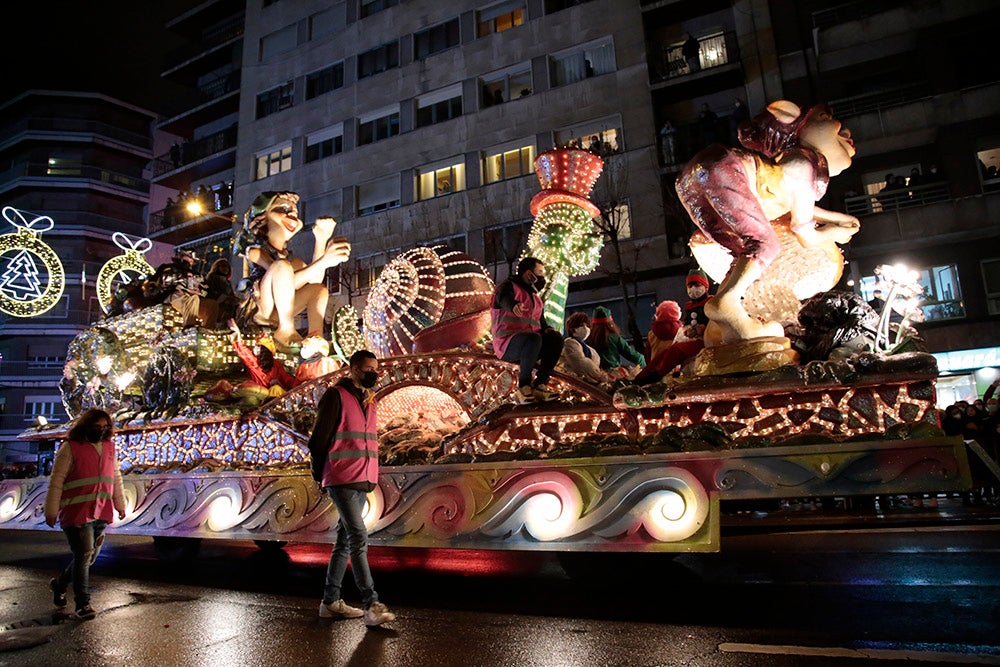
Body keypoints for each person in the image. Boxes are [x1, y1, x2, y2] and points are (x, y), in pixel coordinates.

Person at [675, 100, 860, 344]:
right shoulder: (802, 163)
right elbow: (803, 231)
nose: (846, 132)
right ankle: (726, 302)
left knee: (742, 252)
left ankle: (724, 326)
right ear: (792, 121)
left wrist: (841, 220)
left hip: (692, 179)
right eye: (825, 116)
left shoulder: (788, 170)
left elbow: (795, 209)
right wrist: (833, 233)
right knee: (764, 245)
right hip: (726, 167)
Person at [307, 349, 396, 627]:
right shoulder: (335, 396)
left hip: (362, 479)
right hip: (341, 478)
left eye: (375, 368)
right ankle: (372, 604)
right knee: (358, 537)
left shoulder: (370, 401)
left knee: (345, 541)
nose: (373, 373)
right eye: (368, 368)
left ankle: (330, 602)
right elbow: (317, 442)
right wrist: (319, 474)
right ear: (353, 368)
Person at [234, 191, 351, 350]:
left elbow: (314, 280)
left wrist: (321, 240)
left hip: (276, 312)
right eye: (283, 209)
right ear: (262, 217)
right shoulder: (257, 251)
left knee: (319, 289)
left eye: (295, 212)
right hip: (262, 310)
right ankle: (287, 329)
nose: (292, 215)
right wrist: (325, 261)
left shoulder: (290, 258)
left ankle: (315, 337)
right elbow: (285, 280)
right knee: (282, 266)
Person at [44, 408, 127, 620]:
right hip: (77, 512)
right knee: (84, 555)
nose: (101, 431)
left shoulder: (109, 448)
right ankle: (83, 604)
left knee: (88, 558)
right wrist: (51, 510)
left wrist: (120, 504)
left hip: (101, 511)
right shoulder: (70, 448)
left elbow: (115, 478)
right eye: (96, 427)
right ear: (86, 426)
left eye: (105, 427)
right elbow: (57, 480)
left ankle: (60, 584)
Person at [490, 257, 564, 403]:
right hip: (508, 345)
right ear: (529, 274)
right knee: (534, 338)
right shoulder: (507, 287)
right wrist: (513, 305)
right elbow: (502, 298)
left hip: (531, 346)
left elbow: (540, 321)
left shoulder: (536, 298)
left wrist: (547, 329)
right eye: (541, 272)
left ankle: (540, 385)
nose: (543, 276)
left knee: (556, 338)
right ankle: (523, 387)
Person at [227, 318, 299, 403]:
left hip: (275, 395)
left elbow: (287, 380)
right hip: (261, 395)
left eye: (258, 347)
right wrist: (237, 334)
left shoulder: (275, 364)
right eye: (256, 346)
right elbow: (244, 352)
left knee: (276, 389)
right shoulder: (255, 362)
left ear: (264, 350)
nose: (255, 348)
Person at [635, 300, 704, 385]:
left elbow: (647, 355)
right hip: (674, 373)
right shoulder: (682, 331)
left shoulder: (651, 333)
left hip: (655, 369)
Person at [586, 306, 645, 379]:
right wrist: (646, 361)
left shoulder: (588, 339)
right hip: (615, 376)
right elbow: (633, 356)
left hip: (596, 376)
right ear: (610, 321)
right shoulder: (614, 338)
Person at [556, 312, 611, 385]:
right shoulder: (569, 342)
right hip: (571, 382)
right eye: (582, 325)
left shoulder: (591, 350)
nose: (585, 328)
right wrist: (598, 374)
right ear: (573, 329)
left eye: (587, 326)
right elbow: (579, 362)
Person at [204, 258, 239, 325]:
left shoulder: (227, 282)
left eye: (227, 267)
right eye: (223, 266)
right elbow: (211, 292)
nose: (225, 269)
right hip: (216, 305)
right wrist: (225, 298)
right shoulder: (213, 278)